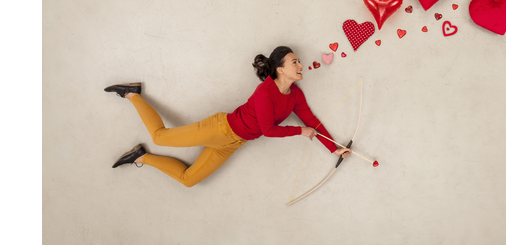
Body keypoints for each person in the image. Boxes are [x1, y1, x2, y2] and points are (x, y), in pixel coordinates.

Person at [104, 46, 351, 187]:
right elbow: (268, 129)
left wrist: (335, 148)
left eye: (299, 62)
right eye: (295, 62)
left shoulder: (295, 95)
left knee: (188, 180)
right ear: (280, 69)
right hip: (220, 129)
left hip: (233, 143)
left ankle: (141, 156)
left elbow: (312, 122)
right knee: (160, 137)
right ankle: (132, 94)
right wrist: (299, 131)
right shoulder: (265, 91)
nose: (300, 66)